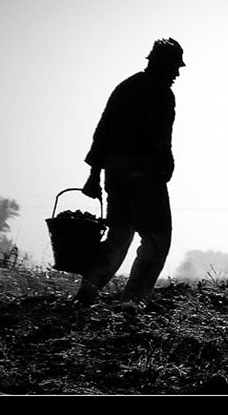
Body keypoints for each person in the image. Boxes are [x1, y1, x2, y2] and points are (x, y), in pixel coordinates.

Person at [74, 37, 185, 306]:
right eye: (174, 67)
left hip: (115, 172)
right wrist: (165, 165)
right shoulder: (160, 93)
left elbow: (102, 132)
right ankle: (133, 302)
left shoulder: (125, 87)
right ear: (163, 65)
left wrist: (94, 176)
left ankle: (86, 294)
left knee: (118, 237)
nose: (177, 74)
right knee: (157, 239)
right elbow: (160, 138)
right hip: (143, 173)